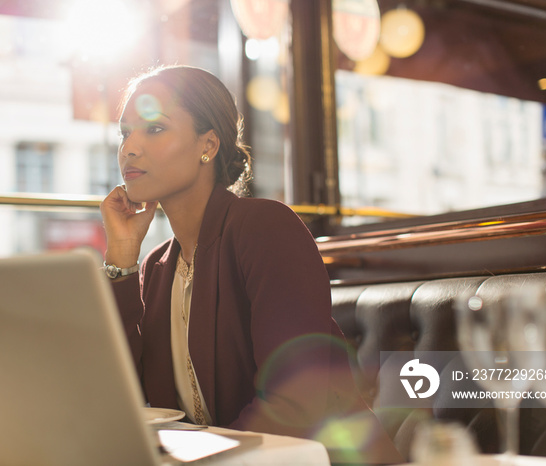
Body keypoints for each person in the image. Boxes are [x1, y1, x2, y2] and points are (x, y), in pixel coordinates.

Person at [100, 65, 401, 463]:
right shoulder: (156, 267)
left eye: (154, 129)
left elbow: (294, 404)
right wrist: (121, 256)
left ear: (208, 144)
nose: (130, 148)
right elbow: (127, 402)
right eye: (125, 133)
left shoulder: (265, 228)